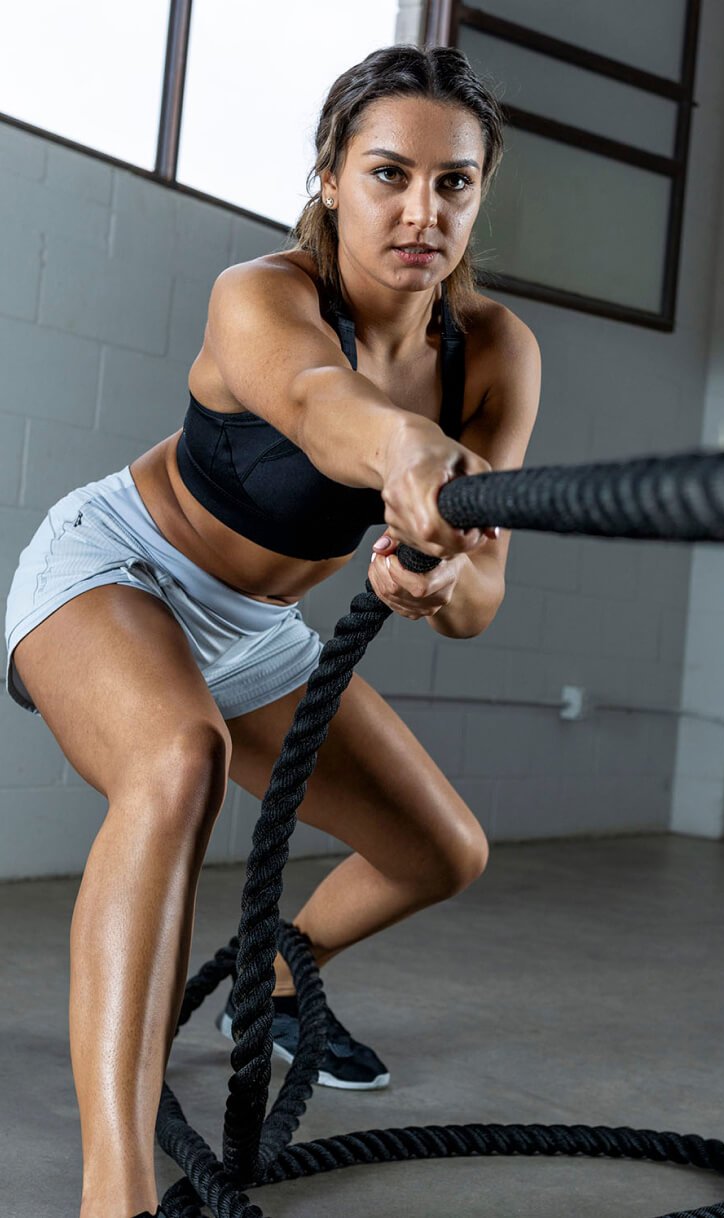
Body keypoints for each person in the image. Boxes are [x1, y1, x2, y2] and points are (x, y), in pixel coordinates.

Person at [3, 43, 541, 1218]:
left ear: (479, 196)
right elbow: (314, 402)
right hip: (118, 569)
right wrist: (406, 455)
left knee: (440, 852)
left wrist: (434, 576)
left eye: (453, 184)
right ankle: (117, 1195)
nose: (420, 210)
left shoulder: (493, 353)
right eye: (389, 174)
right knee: (176, 759)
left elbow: (484, 599)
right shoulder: (263, 295)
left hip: (258, 630)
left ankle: (280, 986)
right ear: (333, 178)